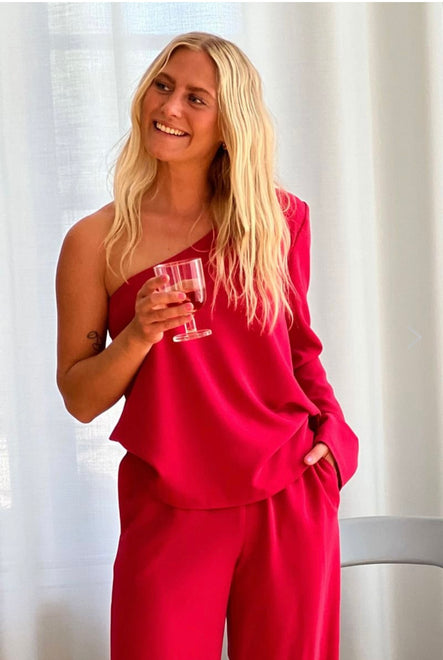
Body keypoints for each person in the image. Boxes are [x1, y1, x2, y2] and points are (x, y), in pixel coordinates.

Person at [56, 31, 358, 660]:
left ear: (229, 124)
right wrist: (139, 333)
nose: (169, 108)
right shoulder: (95, 241)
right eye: (163, 86)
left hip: (286, 491)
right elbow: (81, 399)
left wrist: (335, 442)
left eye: (197, 98)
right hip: (167, 500)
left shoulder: (277, 222)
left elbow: (299, 352)